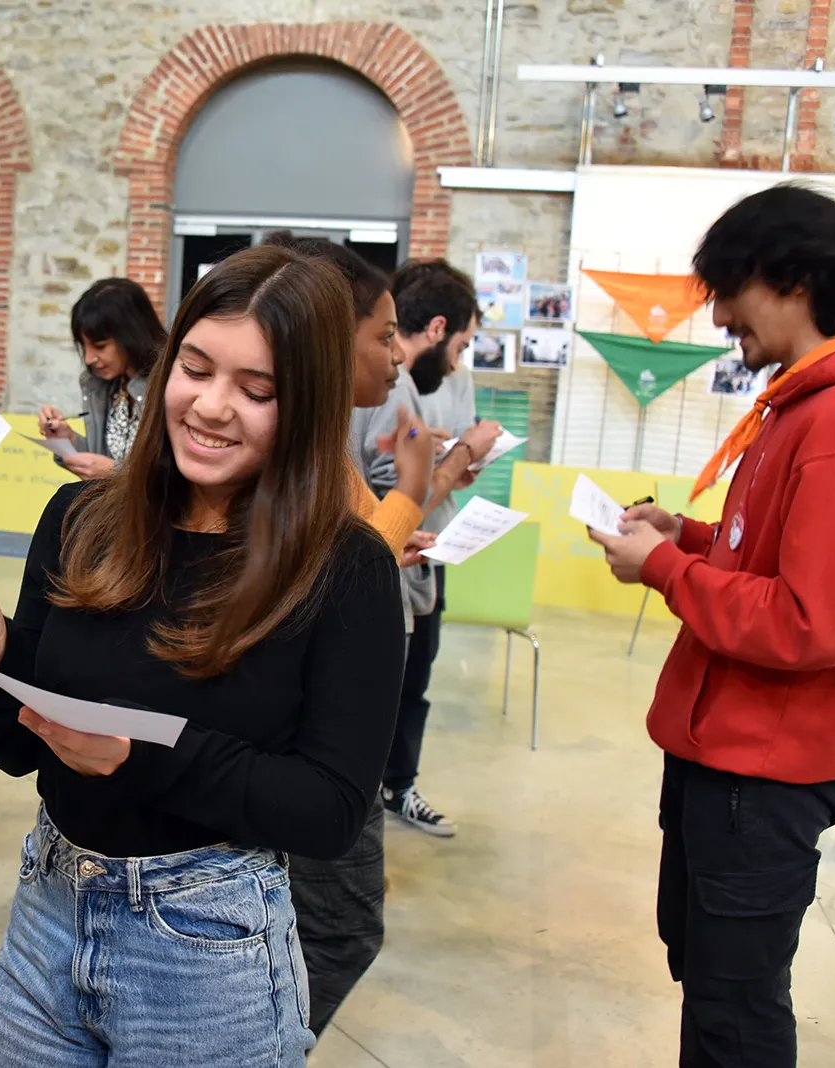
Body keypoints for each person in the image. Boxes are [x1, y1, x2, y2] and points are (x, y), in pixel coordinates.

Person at [0, 245, 406, 1066]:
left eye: (257, 391)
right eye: (196, 369)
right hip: (48, 909)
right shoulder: (81, 519)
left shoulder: (343, 568)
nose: (212, 407)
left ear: (311, 406)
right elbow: (14, 748)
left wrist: (139, 755)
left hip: (212, 944)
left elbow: (327, 809)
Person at [591, 183, 835, 1068]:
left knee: (736, 1007)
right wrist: (688, 537)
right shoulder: (804, 407)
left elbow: (813, 620)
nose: (720, 316)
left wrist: (668, 570)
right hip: (724, 755)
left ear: (792, 277)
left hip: (763, 772)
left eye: (728, 290)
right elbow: (773, 554)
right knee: (709, 973)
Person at [267, 237, 492, 1036]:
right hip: (312, 727)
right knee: (339, 929)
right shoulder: (300, 443)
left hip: (329, 720)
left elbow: (355, 536)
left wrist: (406, 507)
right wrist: (415, 489)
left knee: (325, 926)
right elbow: (339, 551)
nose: (398, 355)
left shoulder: (327, 437)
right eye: (383, 334)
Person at [357, 259, 496, 838]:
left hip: (405, 566)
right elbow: (382, 512)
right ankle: (383, 790)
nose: (395, 358)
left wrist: (435, 465)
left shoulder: (398, 391)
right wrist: (454, 460)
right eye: (383, 339)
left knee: (407, 694)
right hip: (385, 580)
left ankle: (393, 787)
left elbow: (368, 505)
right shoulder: (395, 390)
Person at [37, 277, 165, 479]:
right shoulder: (106, 386)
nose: (88, 359)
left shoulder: (170, 387)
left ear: (131, 335)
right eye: (83, 345)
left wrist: (114, 473)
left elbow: (174, 479)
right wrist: (66, 440)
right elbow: (104, 458)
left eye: (100, 346)